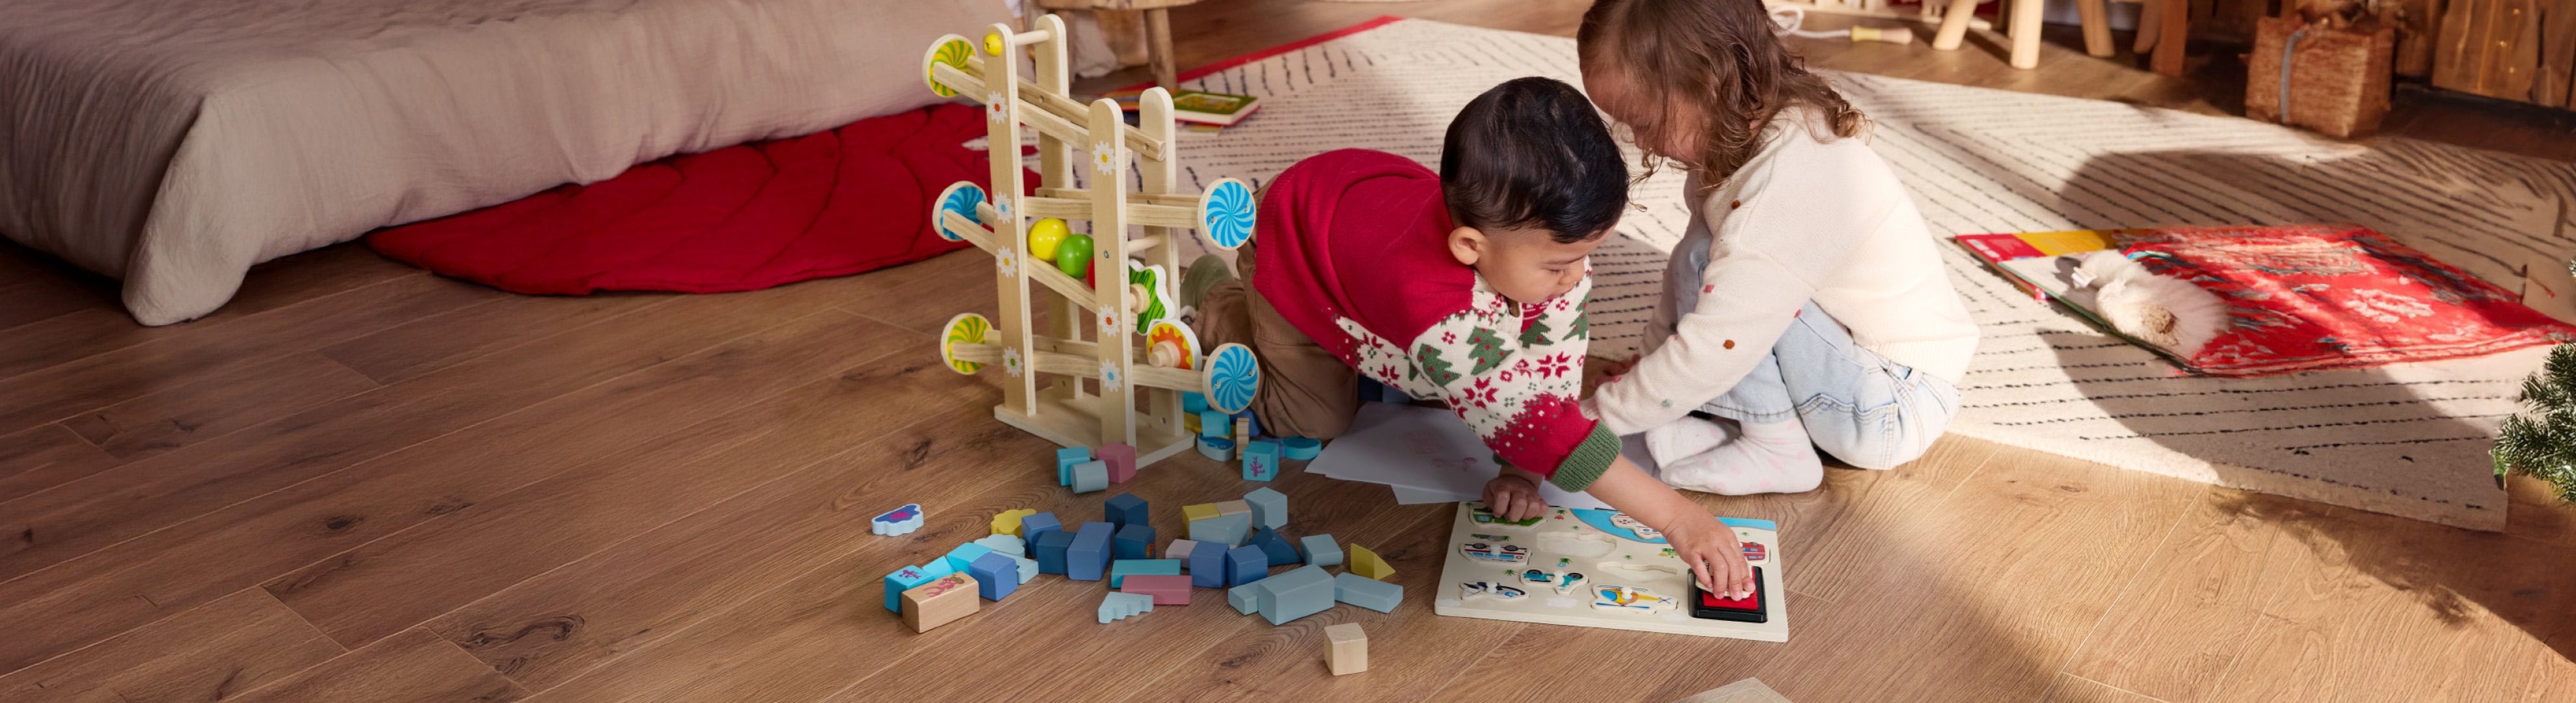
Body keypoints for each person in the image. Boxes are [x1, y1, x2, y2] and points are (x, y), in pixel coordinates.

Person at [1188, 77, 1756, 598]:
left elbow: (1549, 382)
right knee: (1315, 420)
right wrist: (1680, 519)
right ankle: (1219, 301)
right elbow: (1534, 418)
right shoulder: (1435, 305)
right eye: (1562, 263)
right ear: (1469, 248)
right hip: (1295, 251)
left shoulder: (1547, 258)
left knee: (1462, 380)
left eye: (1587, 255)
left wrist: (1519, 470)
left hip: (1364, 221)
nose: (1577, 277)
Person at [1575, 0, 1980, 494]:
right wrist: (1650, 359)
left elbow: (1721, 339)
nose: (1639, 142)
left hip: (1890, 403)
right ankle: (1752, 426)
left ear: (1711, 86)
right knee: (1704, 259)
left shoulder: (1790, 183)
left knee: (1723, 286)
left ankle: (1776, 448)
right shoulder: (1739, 135)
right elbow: (1683, 270)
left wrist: (1593, 423)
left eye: (1644, 123)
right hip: (1849, 377)